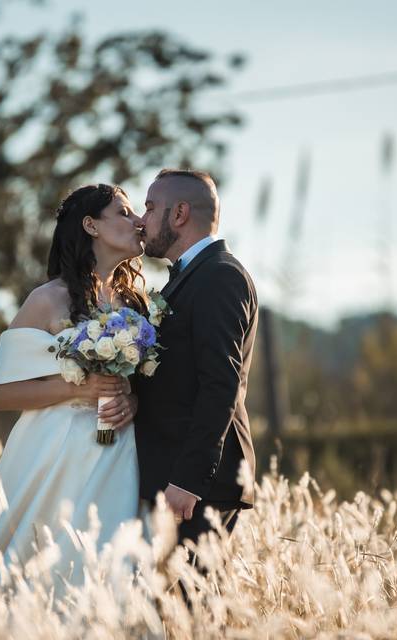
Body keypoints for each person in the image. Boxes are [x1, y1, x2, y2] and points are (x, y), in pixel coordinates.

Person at [0, 183, 144, 591]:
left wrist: (132, 400)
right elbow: (0, 394)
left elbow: (144, 384)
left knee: (109, 568)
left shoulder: (136, 305)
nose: (139, 222)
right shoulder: (47, 300)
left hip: (117, 452)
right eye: (125, 213)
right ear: (91, 226)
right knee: (36, 568)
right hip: (53, 452)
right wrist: (79, 389)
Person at [134, 169, 258, 546]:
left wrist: (188, 480)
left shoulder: (220, 276)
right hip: (177, 480)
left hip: (197, 487)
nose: (142, 220)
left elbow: (221, 383)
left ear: (180, 214)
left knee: (193, 605)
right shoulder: (189, 277)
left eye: (151, 208)